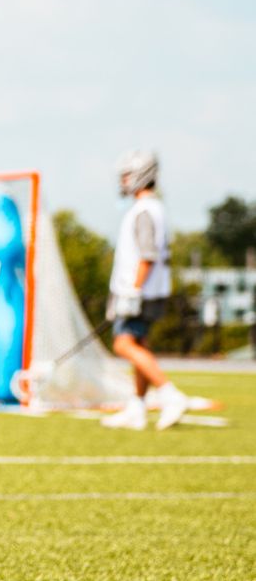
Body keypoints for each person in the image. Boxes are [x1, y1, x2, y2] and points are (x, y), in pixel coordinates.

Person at [101, 151, 189, 430]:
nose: (123, 181)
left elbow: (147, 255)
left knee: (123, 345)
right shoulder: (155, 208)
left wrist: (134, 290)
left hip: (139, 292)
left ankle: (170, 395)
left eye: (127, 175)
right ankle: (137, 407)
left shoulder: (143, 211)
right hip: (148, 290)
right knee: (140, 345)